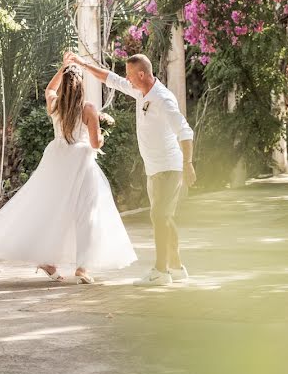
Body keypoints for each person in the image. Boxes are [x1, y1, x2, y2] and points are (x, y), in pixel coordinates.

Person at [0, 52, 136, 284]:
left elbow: (50, 89)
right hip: (80, 161)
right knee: (85, 214)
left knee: (53, 209)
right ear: (81, 87)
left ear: (65, 86)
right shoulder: (88, 109)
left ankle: (47, 260)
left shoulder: (55, 105)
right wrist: (102, 135)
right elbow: (96, 143)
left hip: (57, 159)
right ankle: (81, 268)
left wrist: (64, 68)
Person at [66, 52, 195, 287]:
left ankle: (161, 271)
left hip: (169, 167)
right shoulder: (140, 90)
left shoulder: (163, 99)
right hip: (154, 168)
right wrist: (84, 64)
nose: (127, 79)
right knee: (164, 217)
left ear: (142, 74)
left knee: (159, 216)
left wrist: (188, 164)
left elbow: (185, 131)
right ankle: (177, 267)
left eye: (130, 75)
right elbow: (111, 78)